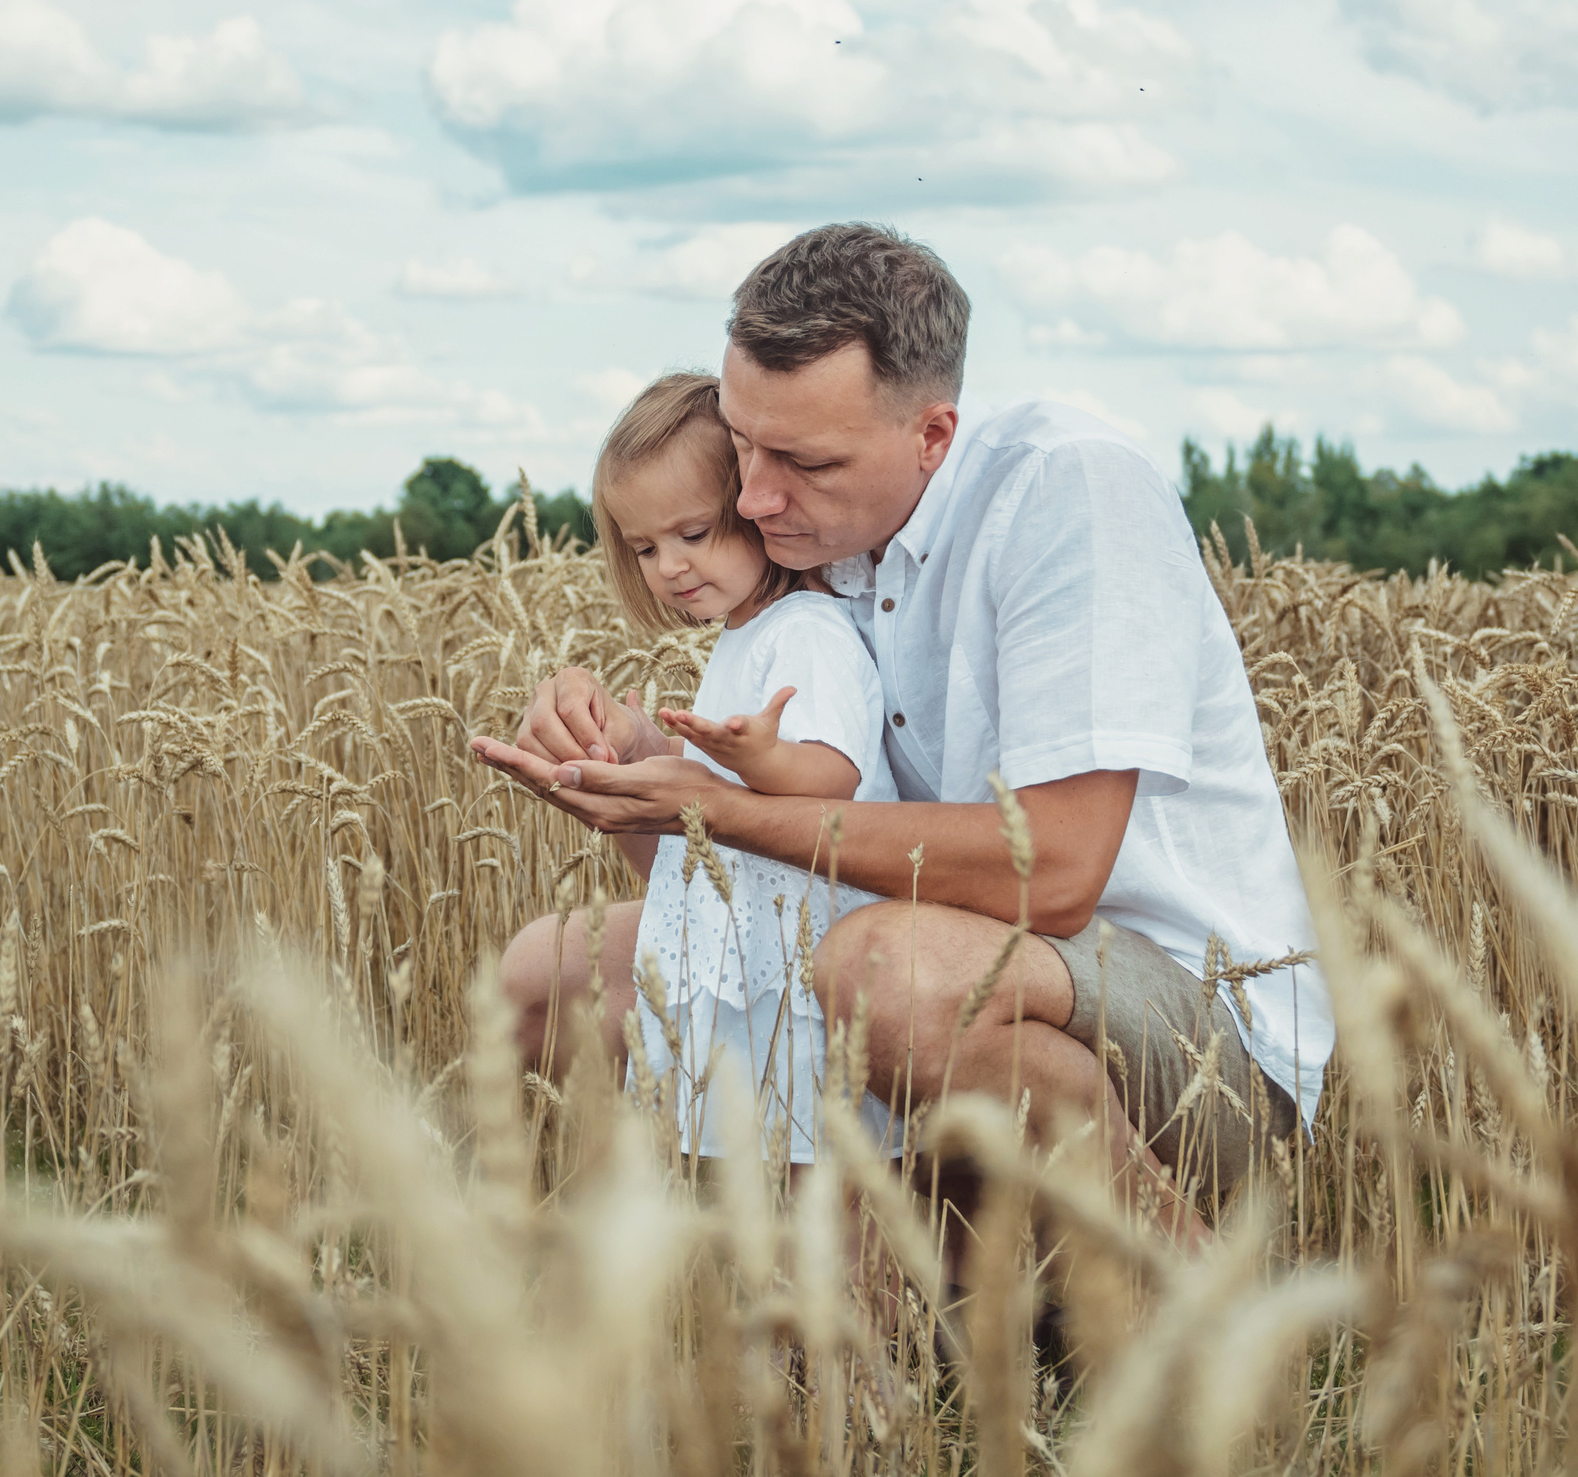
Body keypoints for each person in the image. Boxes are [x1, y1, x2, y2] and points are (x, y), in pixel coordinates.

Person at [473, 223, 1332, 1228]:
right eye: (742, 443)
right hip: (944, 976)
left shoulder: (1066, 491)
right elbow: (746, 891)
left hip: (1193, 1030)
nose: (753, 496)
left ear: (931, 435)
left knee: (883, 974)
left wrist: (716, 806)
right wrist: (628, 770)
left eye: (804, 460)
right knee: (548, 976)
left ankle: (1174, 1289)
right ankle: (967, 1275)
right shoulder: (819, 548)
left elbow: (1053, 873)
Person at [575, 370, 900, 1165]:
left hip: (801, 960)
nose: (669, 566)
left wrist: (763, 759)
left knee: (830, 1170)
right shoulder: (744, 634)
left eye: (693, 532)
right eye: (645, 548)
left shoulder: (807, 629)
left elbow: (833, 779)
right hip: (754, 954)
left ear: (754, 504)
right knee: (763, 1165)